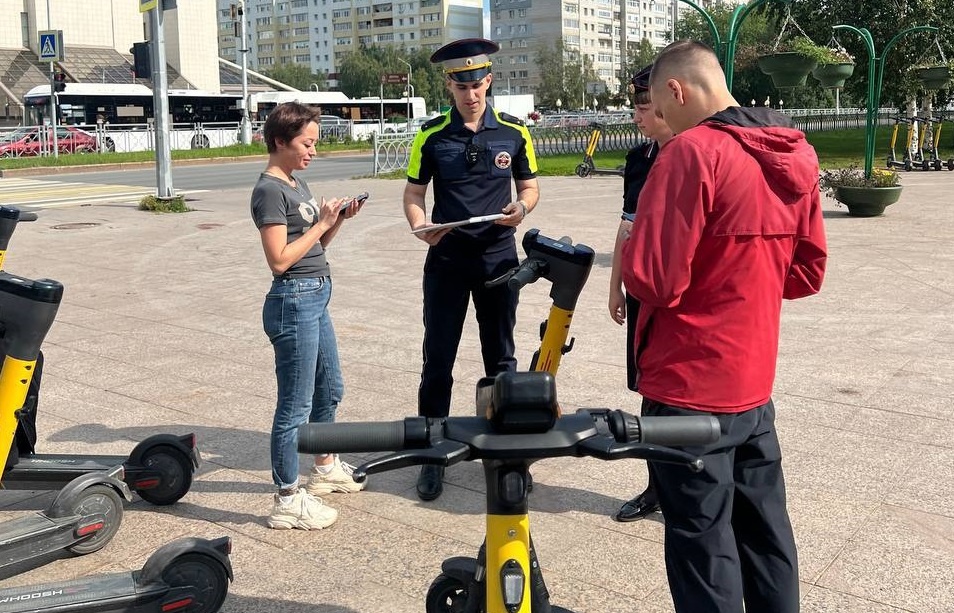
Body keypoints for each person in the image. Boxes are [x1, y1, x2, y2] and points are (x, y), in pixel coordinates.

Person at [621, 40, 827, 613]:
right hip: (753, 383)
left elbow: (655, 281)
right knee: (765, 536)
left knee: (701, 543)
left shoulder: (690, 153)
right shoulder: (795, 153)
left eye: (660, 105)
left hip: (687, 388)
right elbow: (807, 274)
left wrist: (637, 245)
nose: (660, 118)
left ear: (677, 90)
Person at [403, 38, 540, 501]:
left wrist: (521, 208)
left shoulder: (515, 133)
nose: (470, 94)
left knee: (500, 358)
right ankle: (431, 453)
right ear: (449, 85)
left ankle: (505, 449)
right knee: (437, 360)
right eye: (461, 86)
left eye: (477, 84)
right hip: (446, 260)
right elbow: (414, 195)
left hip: (498, 257)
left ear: (488, 81)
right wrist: (421, 225)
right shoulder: (432, 136)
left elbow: (530, 187)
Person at [250, 102, 367, 530]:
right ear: (280, 141)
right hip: (293, 301)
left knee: (330, 386)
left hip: (315, 295)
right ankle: (285, 498)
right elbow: (279, 261)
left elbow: (314, 248)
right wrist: (319, 226)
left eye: (314, 143)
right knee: (294, 406)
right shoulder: (269, 191)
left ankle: (325, 468)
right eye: (306, 143)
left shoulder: (295, 183)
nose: (312, 151)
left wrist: (334, 222)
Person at [608, 64, 674, 523]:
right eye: (635, 107)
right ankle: (657, 486)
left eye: (644, 107)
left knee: (679, 395)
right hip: (642, 292)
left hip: (677, 294)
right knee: (648, 390)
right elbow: (627, 227)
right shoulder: (639, 160)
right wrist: (615, 284)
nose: (638, 115)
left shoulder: (693, 155)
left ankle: (684, 487)